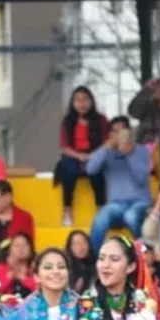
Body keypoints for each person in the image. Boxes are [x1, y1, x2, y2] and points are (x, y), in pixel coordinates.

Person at [86, 116, 153, 250]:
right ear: (110, 134)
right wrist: (106, 148)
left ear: (129, 133)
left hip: (140, 202)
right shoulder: (107, 152)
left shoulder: (141, 150)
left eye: (122, 131)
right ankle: (93, 261)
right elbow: (90, 169)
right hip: (116, 204)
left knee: (131, 216)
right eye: (115, 131)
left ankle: (143, 254)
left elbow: (141, 178)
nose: (119, 135)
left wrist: (129, 154)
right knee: (100, 219)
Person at [55, 86, 110, 226]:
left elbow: (107, 142)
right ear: (73, 103)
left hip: (95, 153)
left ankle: (101, 210)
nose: (82, 104)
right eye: (78, 100)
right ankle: (67, 210)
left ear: (91, 101)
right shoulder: (68, 121)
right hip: (74, 156)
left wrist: (93, 155)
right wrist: (79, 156)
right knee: (68, 170)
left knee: (96, 170)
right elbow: (64, 147)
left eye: (85, 99)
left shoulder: (100, 119)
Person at [0, 233, 38, 301]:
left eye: (25, 245)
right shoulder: (2, 268)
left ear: (30, 250)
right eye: (17, 245)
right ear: (10, 251)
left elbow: (40, 290)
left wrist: (23, 278)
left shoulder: (35, 268)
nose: (21, 248)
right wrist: (11, 275)